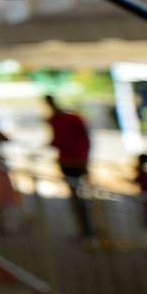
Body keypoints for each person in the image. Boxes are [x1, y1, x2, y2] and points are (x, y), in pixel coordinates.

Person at [45, 95, 94, 238]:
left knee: (80, 197)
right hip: (69, 161)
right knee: (76, 196)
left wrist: (84, 159)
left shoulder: (70, 119)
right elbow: (58, 140)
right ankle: (84, 230)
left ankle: (87, 230)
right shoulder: (56, 120)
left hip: (75, 161)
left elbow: (82, 138)